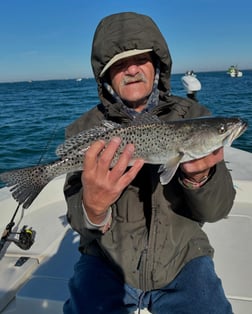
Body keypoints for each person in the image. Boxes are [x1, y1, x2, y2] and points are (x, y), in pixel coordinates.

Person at [63, 12, 235, 314]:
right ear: (105, 74)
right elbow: (82, 225)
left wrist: (200, 179)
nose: (131, 69)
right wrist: (93, 207)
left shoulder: (195, 115)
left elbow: (217, 211)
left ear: (158, 64)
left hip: (183, 256)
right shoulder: (83, 129)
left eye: (141, 59)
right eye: (118, 63)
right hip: (106, 258)